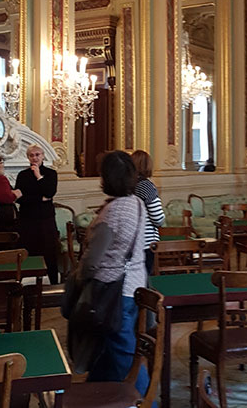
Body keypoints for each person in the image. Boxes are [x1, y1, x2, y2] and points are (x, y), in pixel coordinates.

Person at [80, 150, 148, 391]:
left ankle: (146, 401)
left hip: (113, 290)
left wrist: (80, 277)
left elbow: (93, 260)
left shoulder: (113, 211)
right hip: (134, 284)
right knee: (109, 348)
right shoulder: (137, 203)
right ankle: (93, 392)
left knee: (125, 352)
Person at [15, 144, 59, 284]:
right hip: (27, 219)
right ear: (28, 157)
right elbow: (20, 198)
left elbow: (49, 192)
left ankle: (52, 284)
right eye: (31, 155)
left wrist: (39, 176)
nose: (35, 158)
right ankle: (28, 285)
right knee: (29, 251)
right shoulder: (22, 175)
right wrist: (40, 199)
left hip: (46, 220)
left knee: (49, 252)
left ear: (43, 156)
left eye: (37, 155)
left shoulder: (51, 174)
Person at [131, 149, 165, 278]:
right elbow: (158, 218)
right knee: (143, 279)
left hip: (130, 239)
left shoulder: (129, 185)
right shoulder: (146, 186)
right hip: (145, 241)